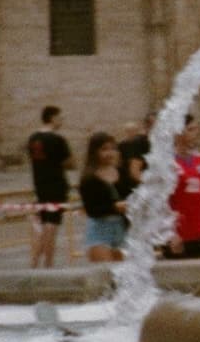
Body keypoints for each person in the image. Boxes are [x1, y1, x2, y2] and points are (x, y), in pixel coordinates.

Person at [27, 105, 73, 269]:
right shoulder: (57, 139)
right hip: (56, 184)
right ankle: (48, 263)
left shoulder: (32, 138)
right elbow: (69, 162)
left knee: (44, 222)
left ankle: (34, 263)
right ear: (52, 118)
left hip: (40, 185)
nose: (61, 121)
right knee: (51, 226)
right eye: (60, 118)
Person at [79, 133, 126, 264]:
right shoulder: (89, 178)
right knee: (106, 274)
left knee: (124, 276)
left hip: (121, 228)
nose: (110, 153)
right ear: (94, 152)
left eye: (113, 148)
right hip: (100, 229)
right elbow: (91, 209)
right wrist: (115, 207)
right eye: (104, 149)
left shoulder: (121, 172)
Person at [168, 140, 200, 258]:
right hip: (179, 229)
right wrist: (170, 232)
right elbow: (161, 201)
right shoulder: (167, 163)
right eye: (190, 129)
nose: (194, 134)